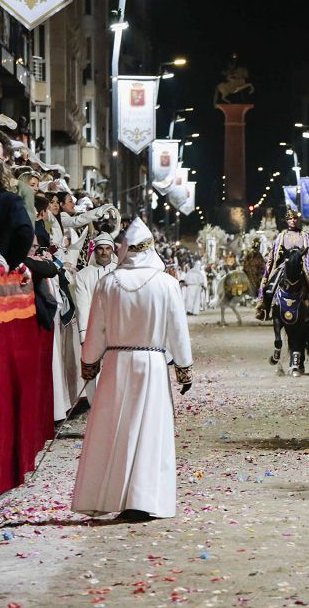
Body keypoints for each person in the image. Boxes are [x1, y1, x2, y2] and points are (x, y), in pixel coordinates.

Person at [71, 219, 194, 521]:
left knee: (116, 429)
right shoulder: (165, 283)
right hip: (151, 365)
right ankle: (144, 496)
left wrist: (89, 361)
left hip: (115, 364)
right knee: (150, 431)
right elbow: (177, 330)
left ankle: (114, 494)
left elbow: (97, 328)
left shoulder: (108, 283)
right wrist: (183, 366)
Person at [256, 209, 309, 324]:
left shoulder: (305, 236)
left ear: (298, 220)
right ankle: (265, 309)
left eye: (295, 218)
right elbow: (274, 254)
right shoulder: (281, 236)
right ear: (287, 221)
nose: (293, 221)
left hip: (303, 266)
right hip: (284, 266)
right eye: (290, 219)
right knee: (269, 288)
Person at [73, 233, 116, 343]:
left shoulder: (121, 272)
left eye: (107, 248)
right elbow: (82, 306)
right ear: (95, 251)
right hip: (94, 329)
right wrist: (84, 334)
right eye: (100, 249)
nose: (104, 252)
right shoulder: (83, 275)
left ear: (112, 250)